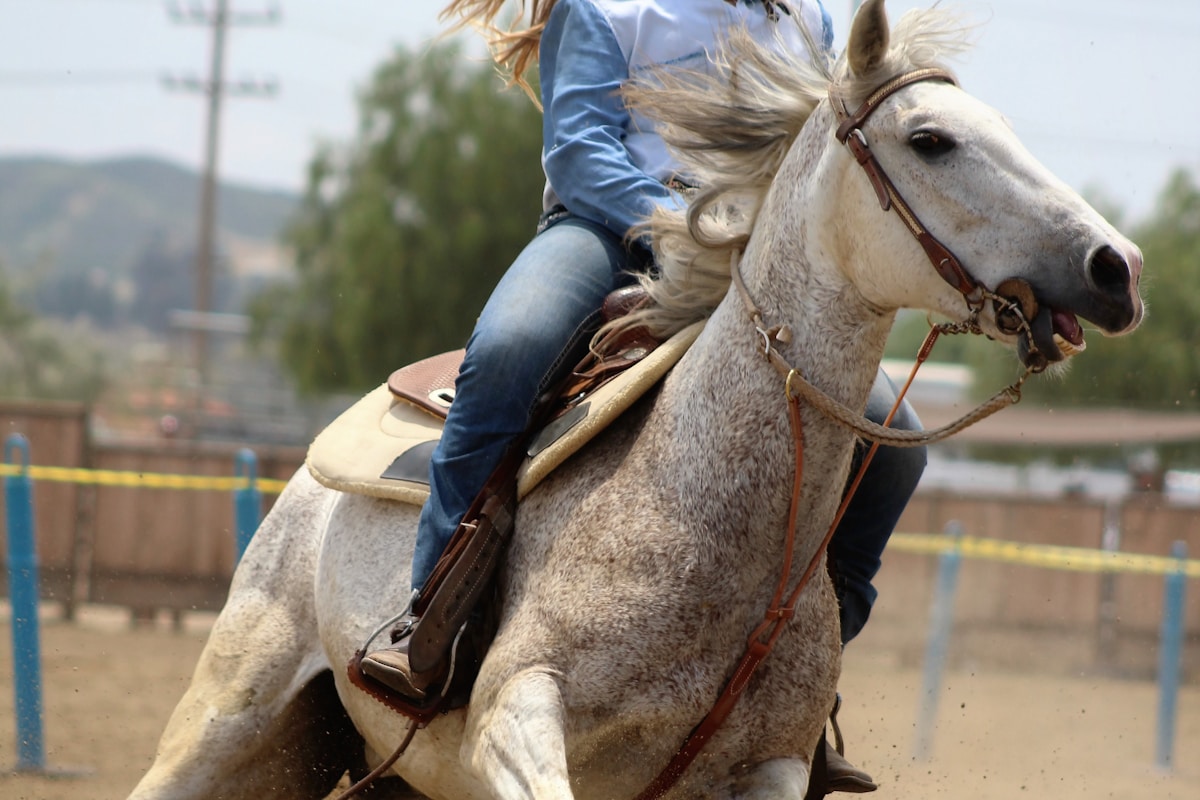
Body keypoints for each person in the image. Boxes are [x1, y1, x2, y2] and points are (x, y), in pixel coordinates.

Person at [362, 0, 926, 791]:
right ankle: (431, 618)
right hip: (607, 232)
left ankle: (796, 688)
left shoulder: (809, 20)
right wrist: (685, 226)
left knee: (895, 443)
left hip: (753, 262)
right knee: (509, 349)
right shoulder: (607, 7)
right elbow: (579, 152)